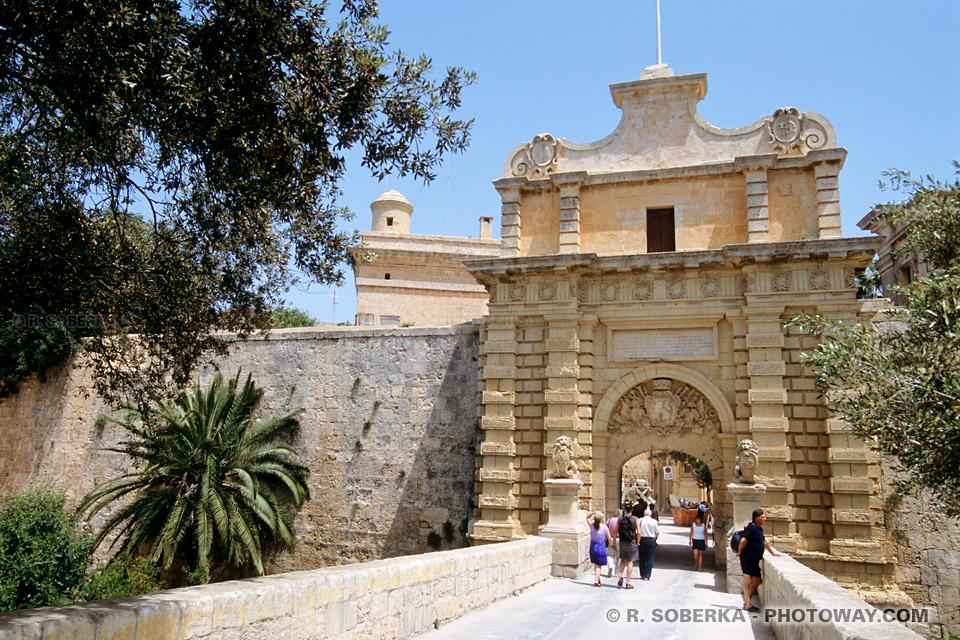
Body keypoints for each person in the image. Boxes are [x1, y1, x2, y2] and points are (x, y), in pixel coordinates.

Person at [737, 508, 781, 612]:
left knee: (758, 580)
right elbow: (743, 540)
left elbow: (764, 542)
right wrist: (739, 552)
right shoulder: (752, 528)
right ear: (757, 518)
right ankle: (748, 605)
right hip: (748, 557)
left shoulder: (759, 528)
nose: (765, 519)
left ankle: (747, 601)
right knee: (748, 580)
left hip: (755, 558)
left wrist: (773, 553)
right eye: (763, 517)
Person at [586, 511, 613, 587]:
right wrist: (612, 545)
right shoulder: (604, 527)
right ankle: (596, 580)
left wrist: (593, 513)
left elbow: (587, 518)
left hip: (593, 546)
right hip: (601, 547)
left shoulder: (592, 526)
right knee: (598, 566)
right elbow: (609, 538)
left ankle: (597, 577)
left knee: (596, 564)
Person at [617, 501, 639, 589]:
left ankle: (621, 576)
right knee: (630, 562)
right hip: (631, 542)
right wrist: (638, 542)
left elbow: (616, 531)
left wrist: (614, 540)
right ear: (632, 509)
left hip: (622, 542)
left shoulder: (620, 519)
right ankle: (628, 582)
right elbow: (639, 532)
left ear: (625, 510)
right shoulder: (635, 519)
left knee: (622, 560)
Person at [638, 508, 660, 581]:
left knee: (642, 557)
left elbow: (637, 531)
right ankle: (647, 575)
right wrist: (654, 538)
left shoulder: (640, 520)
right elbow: (657, 532)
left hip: (642, 539)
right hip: (651, 540)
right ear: (650, 515)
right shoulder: (654, 521)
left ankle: (642, 573)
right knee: (650, 557)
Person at [605, 509, 621, 578]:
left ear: (614, 514)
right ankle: (617, 573)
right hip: (619, 539)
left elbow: (606, 527)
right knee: (618, 556)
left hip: (611, 538)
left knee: (610, 555)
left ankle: (610, 566)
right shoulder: (621, 521)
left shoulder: (610, 520)